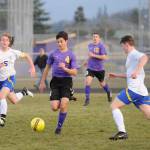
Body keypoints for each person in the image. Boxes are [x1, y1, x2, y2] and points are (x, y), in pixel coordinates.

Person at [109, 35, 150, 140]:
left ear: (126, 44)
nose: (122, 48)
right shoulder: (130, 57)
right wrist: (117, 75)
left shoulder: (133, 54)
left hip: (133, 90)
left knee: (114, 106)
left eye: (122, 46)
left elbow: (145, 57)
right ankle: (122, 132)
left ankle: (122, 132)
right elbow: (129, 74)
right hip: (141, 92)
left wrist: (137, 70)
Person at [39, 31, 77, 134]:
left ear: (66, 41)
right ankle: (68, 96)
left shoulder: (71, 55)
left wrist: (65, 69)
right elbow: (46, 69)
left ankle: (59, 127)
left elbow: (75, 72)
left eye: (61, 41)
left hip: (66, 81)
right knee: (54, 107)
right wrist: (42, 82)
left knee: (64, 104)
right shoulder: (53, 54)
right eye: (58, 42)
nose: (59, 44)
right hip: (55, 81)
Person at [0, 32, 35, 126]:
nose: (4, 41)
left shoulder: (13, 52)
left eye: (6, 40)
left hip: (9, 78)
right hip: (0, 80)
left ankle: (2, 118)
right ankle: (24, 92)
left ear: (9, 42)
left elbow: (27, 55)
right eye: (2, 40)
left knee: (1, 96)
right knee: (14, 100)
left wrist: (32, 67)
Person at [83, 33, 112, 106]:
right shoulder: (90, 45)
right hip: (90, 68)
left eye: (96, 37)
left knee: (102, 83)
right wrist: (86, 61)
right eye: (93, 37)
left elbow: (104, 57)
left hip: (99, 69)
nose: (95, 38)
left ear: (99, 38)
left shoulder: (101, 46)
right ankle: (87, 99)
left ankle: (108, 92)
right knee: (87, 82)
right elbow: (90, 55)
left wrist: (94, 55)